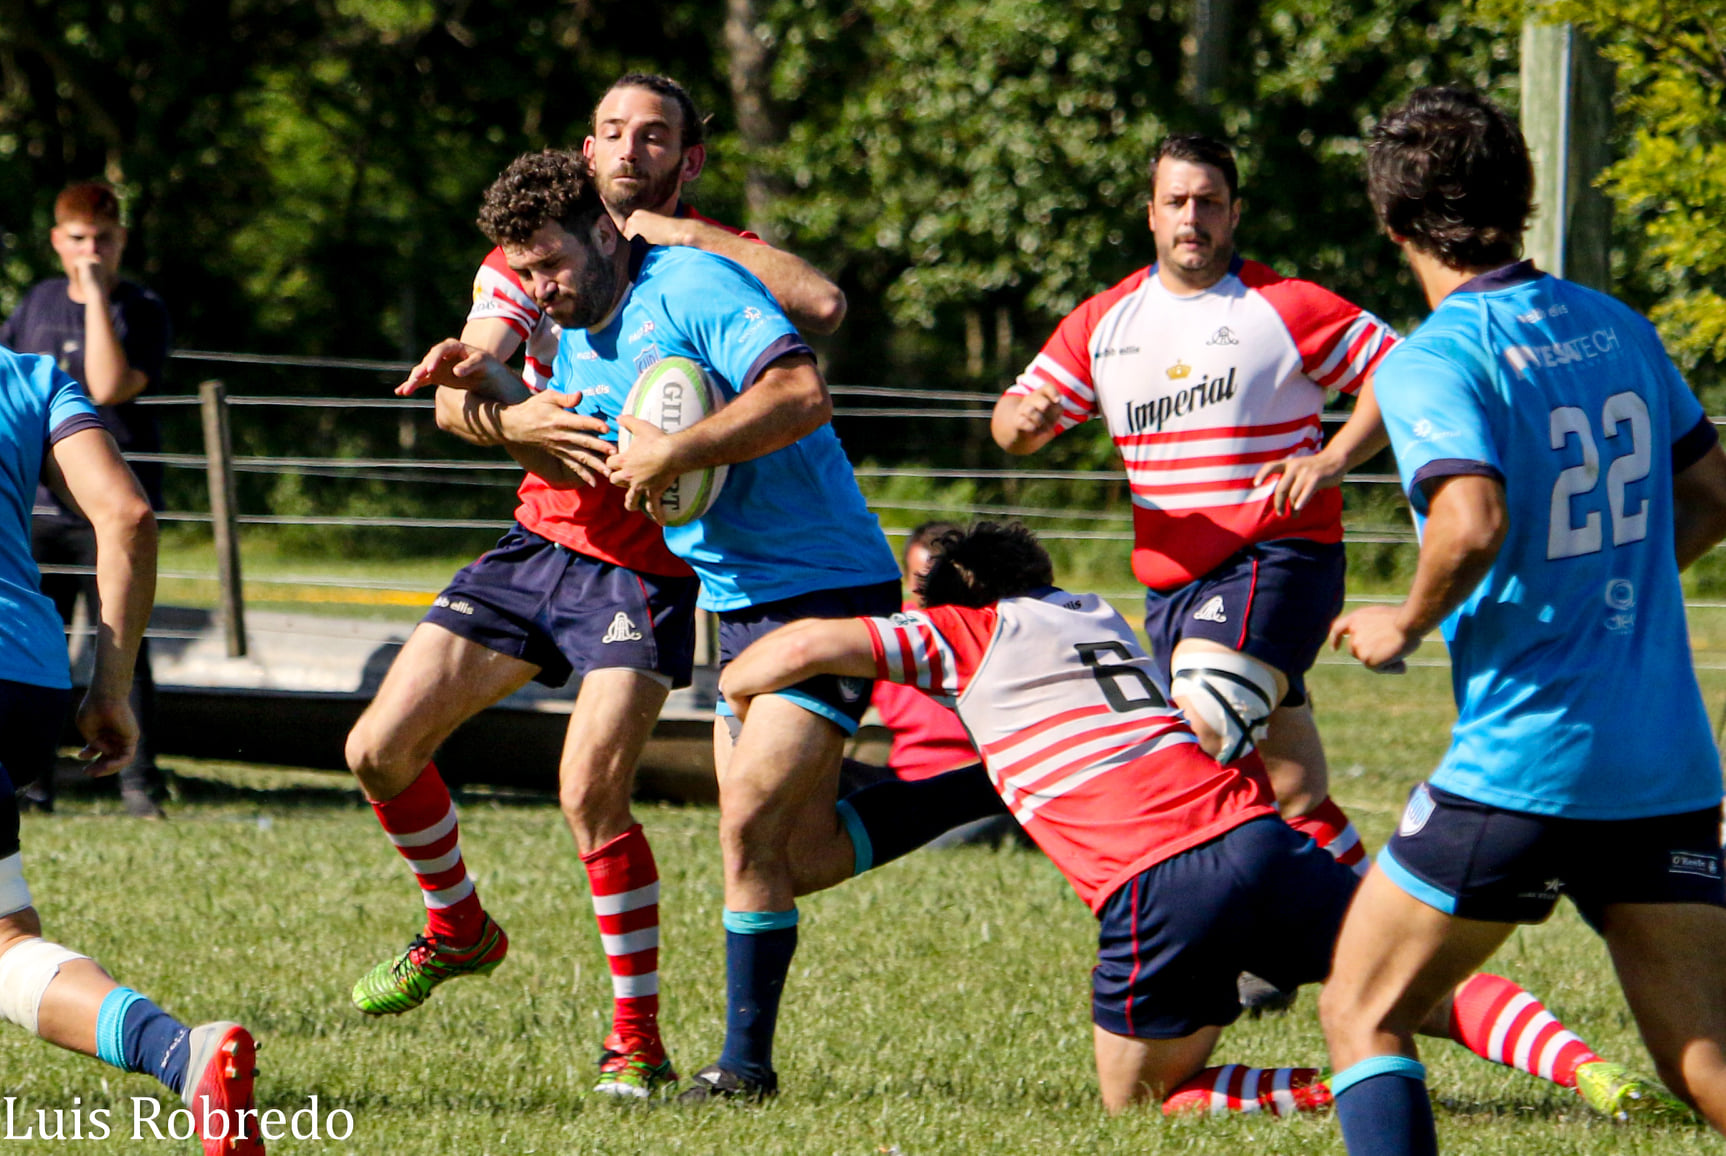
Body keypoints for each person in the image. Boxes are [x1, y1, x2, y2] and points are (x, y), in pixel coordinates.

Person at [717, 521, 1661, 1118]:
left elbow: (800, 644)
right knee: (1412, 982)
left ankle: (1339, 1090)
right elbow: (997, 771)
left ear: (963, 592)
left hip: (1154, 882)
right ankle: (1585, 1069)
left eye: (920, 586)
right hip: (1255, 832)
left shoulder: (968, 629)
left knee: (1139, 1099)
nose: (908, 602)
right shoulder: (1093, 616)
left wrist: (729, 687)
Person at [363, 146, 886, 1102]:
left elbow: (801, 392)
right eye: (525, 273)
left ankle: (738, 1070)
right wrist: (498, 395)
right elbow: (595, 461)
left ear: (606, 232)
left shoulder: (693, 283)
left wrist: (679, 448)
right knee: (791, 850)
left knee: (751, 829)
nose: (541, 289)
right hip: (735, 603)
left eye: (552, 264)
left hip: (826, 585)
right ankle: (965, 792)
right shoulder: (587, 346)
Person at [1318, 86, 1726, 1152]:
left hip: (1527, 767)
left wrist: (1401, 623)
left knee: (1360, 1009)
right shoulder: (1619, 327)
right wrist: (1611, 579)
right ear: (1523, 197)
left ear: (1391, 222)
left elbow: (1469, 516)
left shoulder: (1431, 360)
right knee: (1707, 1065)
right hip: (1666, 768)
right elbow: (1715, 492)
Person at [991, 134, 1392, 881]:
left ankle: (1212, 933)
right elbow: (1012, 420)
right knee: (1295, 793)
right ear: (1151, 214)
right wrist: (1026, 421)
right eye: (1176, 201)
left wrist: (1333, 458)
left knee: (1192, 743)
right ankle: (1374, 941)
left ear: (1234, 213)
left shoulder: (1285, 306)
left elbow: (1406, 375)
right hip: (1174, 588)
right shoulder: (1106, 321)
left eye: (1208, 202)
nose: (1192, 217)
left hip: (1274, 561)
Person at [0, 343, 260, 1154]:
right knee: (4, 940)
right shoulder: (31, 378)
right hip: (25, 677)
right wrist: (108, 687)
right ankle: (185, 1056)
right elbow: (128, 516)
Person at [461, 72, 846, 396]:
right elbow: (459, 384)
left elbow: (825, 305)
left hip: (689, 478)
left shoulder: (713, 250)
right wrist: (519, 423)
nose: (628, 151)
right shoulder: (537, 253)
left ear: (690, 160)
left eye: (652, 138)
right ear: (590, 155)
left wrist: (683, 234)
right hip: (567, 483)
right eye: (613, 136)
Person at [1, 182, 171, 819]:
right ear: (55, 241)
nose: (91, 251)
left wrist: (96, 296)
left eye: (103, 239)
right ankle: (34, 789)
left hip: (107, 506)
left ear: (121, 239)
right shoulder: (38, 301)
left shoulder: (142, 307)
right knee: (39, 624)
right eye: (78, 240)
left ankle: (136, 787)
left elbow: (104, 384)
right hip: (37, 503)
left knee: (122, 644)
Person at [840, 521, 1018, 848]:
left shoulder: (999, 630)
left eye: (942, 581)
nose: (931, 595)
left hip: (977, 783)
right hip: (903, 780)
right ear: (907, 581)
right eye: (922, 582)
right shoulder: (888, 634)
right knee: (822, 774)